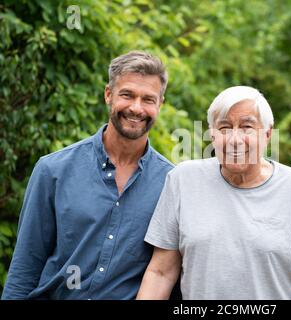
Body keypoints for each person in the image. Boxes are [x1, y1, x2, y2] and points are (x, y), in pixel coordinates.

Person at [2, 51, 174, 299]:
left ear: (160, 104)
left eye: (148, 99)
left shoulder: (171, 184)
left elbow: (168, 276)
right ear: (108, 94)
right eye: (127, 95)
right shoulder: (53, 171)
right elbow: (25, 267)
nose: (136, 108)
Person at [136, 86, 291, 300]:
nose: (235, 140)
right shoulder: (183, 180)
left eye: (247, 127)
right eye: (225, 127)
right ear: (212, 135)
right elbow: (161, 273)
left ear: (267, 134)